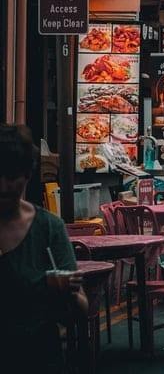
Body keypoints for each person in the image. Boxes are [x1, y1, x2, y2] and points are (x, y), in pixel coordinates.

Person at [0, 124, 87, 372]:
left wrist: (66, 290)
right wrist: (41, 285)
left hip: (39, 356)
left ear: (27, 175)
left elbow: (81, 306)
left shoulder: (49, 228)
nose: (3, 185)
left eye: (12, 176)